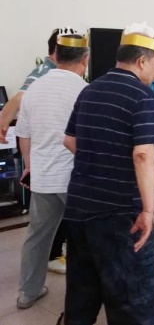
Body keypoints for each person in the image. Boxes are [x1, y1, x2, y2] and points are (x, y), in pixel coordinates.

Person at [62, 22, 154, 324]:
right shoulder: (143, 96)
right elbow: (143, 155)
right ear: (142, 61)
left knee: (82, 296)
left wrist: (100, 161)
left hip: (80, 208)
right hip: (122, 213)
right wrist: (148, 210)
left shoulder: (89, 90)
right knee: (134, 302)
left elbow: (69, 140)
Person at [14, 31, 89, 310]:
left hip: (43, 178)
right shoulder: (84, 90)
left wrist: (30, 167)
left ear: (56, 55)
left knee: (37, 236)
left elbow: (23, 134)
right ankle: (88, 297)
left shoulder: (34, 89)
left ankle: (28, 292)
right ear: (85, 58)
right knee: (86, 238)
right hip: (75, 179)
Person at [0, 29, 68, 273]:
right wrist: (3, 120)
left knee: (54, 217)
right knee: (49, 219)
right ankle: (52, 256)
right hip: (50, 159)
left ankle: (53, 255)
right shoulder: (43, 71)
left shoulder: (61, 73)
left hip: (57, 157)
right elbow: (19, 98)